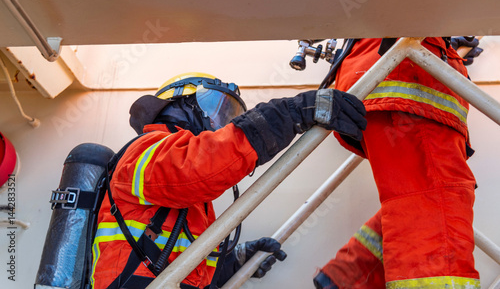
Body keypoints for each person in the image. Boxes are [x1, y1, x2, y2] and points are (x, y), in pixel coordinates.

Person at [90, 72, 367, 289]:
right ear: (181, 104)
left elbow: (184, 265)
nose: (222, 124)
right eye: (216, 109)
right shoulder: (147, 147)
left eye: (229, 115)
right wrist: (289, 113)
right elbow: (199, 166)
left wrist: (234, 261)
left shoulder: (194, 200)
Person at [313, 37, 483, 289]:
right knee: (437, 197)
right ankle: (348, 275)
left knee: (419, 197)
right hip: (408, 86)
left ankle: (350, 274)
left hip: (401, 83)